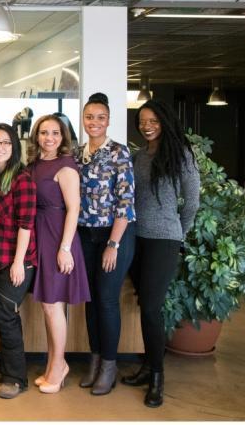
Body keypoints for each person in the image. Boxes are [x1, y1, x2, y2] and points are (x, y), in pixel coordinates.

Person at [123, 99, 199, 408]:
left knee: (152, 307)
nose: (147, 125)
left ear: (165, 120)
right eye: (142, 120)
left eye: (153, 119)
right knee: (144, 304)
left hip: (164, 240)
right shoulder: (139, 156)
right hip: (135, 238)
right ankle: (147, 365)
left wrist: (177, 234)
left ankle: (157, 375)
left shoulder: (181, 154)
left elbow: (192, 202)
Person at [75, 93, 136, 395]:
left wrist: (113, 243)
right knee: (90, 300)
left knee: (107, 299)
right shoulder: (77, 154)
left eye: (100, 117)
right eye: (89, 116)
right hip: (85, 235)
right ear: (83, 119)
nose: (94, 122)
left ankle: (109, 366)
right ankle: (95, 360)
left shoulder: (119, 152)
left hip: (115, 235)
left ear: (108, 120)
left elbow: (125, 202)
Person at [28, 114, 90, 394]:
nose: (48, 138)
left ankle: (59, 366)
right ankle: (54, 364)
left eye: (54, 133)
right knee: (47, 305)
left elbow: (74, 209)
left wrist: (65, 249)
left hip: (57, 237)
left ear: (63, 137)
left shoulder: (66, 166)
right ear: (36, 135)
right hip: (39, 235)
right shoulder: (35, 164)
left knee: (54, 306)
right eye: (43, 133)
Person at [0, 123, 37, 399]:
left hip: (17, 261)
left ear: (14, 147)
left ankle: (16, 377)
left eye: (5, 142)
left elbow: (26, 224)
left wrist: (18, 262)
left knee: (5, 315)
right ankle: (5, 365)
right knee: (3, 316)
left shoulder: (21, 179)